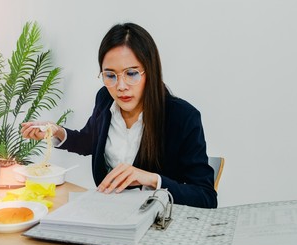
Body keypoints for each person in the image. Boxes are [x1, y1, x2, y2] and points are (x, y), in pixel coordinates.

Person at [21, 22, 217, 208]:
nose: (120, 86)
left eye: (131, 73)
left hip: (156, 224)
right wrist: (56, 131)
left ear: (150, 71)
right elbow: (91, 141)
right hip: (109, 212)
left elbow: (206, 197)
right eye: (110, 75)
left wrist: (150, 178)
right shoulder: (105, 99)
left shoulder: (183, 117)